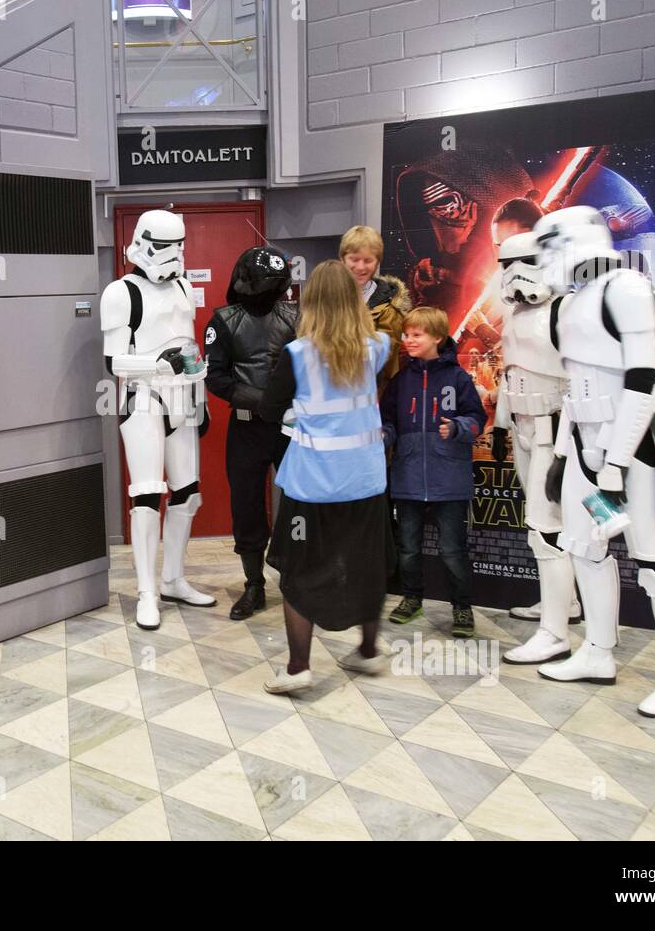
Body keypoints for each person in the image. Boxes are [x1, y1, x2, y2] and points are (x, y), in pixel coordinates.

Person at [536, 206, 655, 717]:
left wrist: (614, 464)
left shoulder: (626, 289)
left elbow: (640, 382)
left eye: (552, 245)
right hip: (584, 439)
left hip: (633, 445)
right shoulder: (567, 304)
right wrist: (566, 454)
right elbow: (574, 387)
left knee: (654, 558)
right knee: (585, 549)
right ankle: (596, 652)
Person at [259, 261, 395, 694]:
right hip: (366, 481)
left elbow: (267, 409)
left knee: (298, 573)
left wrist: (295, 412)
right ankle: (369, 653)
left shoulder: (297, 355)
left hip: (313, 486)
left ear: (311, 301)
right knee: (367, 565)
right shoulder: (378, 347)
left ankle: (299, 668)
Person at [101, 209, 216, 632]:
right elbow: (114, 361)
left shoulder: (185, 286)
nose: (173, 255)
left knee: (188, 494)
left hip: (183, 398)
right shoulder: (120, 292)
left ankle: (172, 579)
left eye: (179, 246)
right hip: (143, 397)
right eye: (165, 246)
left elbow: (187, 344)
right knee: (147, 494)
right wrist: (156, 364)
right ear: (143, 243)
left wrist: (196, 385)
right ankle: (147, 591)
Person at [490, 232, 576, 663]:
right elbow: (511, 374)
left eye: (522, 262)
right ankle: (564, 606)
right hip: (525, 428)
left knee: (548, 530)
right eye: (505, 264)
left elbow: (582, 381)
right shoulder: (516, 316)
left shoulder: (566, 310)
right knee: (543, 527)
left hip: (555, 431)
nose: (512, 274)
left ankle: (555, 632)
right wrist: (501, 426)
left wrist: (570, 444)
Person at [204, 246, 299, 620]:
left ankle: (296, 577)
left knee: (297, 501)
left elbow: (307, 367)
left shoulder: (297, 315)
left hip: (290, 426)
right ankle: (254, 583)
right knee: (246, 504)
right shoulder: (223, 321)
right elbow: (216, 377)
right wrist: (264, 402)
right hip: (247, 426)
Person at [382, 307, 486, 638]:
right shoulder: (400, 381)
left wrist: (457, 427)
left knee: (453, 549)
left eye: (416, 335)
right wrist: (384, 435)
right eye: (406, 334)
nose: (408, 340)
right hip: (408, 478)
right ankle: (412, 598)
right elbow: (388, 421)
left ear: (437, 338)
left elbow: (477, 419)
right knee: (408, 547)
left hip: (449, 480)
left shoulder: (458, 378)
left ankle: (462, 607)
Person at [339, 225, 411, 392]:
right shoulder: (326, 301)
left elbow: (384, 362)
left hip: (374, 398)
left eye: (368, 260)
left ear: (377, 262)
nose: (361, 267)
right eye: (354, 259)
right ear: (343, 259)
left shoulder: (390, 309)